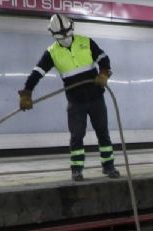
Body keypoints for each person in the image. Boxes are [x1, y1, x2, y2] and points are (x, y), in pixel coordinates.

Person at [19, 14, 120, 182]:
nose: (65, 38)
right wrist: (27, 92)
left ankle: (108, 166)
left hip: (96, 98)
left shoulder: (86, 42)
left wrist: (103, 72)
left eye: (67, 34)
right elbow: (37, 73)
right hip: (76, 102)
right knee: (76, 136)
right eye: (61, 36)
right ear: (53, 34)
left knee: (103, 132)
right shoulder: (52, 53)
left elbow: (103, 58)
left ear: (72, 29)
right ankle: (77, 170)